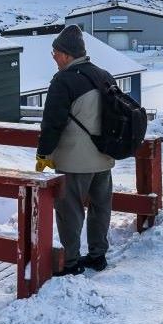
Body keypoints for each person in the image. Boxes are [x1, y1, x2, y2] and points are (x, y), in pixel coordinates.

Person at [36, 24, 115, 276]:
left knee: (69, 211)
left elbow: (52, 123)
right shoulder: (104, 74)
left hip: (74, 161)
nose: (54, 58)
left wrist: (43, 154)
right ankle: (97, 255)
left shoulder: (63, 81)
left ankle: (70, 262)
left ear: (67, 54)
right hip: (104, 156)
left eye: (55, 53)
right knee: (100, 208)